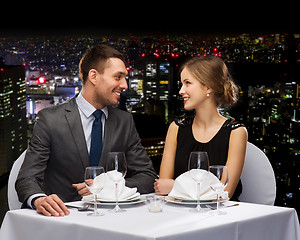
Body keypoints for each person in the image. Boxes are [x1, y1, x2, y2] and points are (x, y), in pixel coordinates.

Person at [16, 45, 157, 217]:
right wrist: (39, 199)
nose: (125, 85)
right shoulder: (50, 120)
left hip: (113, 220)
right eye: (118, 77)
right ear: (93, 76)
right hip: (61, 220)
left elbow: (147, 176)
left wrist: (110, 188)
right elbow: (27, 178)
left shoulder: (124, 121)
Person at [154, 56, 248, 200]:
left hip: (221, 217)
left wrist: (175, 187)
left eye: (187, 83)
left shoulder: (236, 132)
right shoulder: (176, 128)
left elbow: (223, 194)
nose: (181, 90)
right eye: (182, 83)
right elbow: (162, 187)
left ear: (208, 87)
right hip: (180, 214)